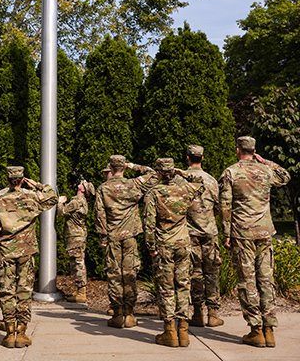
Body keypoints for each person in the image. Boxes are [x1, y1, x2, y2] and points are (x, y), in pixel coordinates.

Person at [219, 136, 290, 348]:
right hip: (265, 231)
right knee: (266, 279)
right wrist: (265, 161)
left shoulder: (231, 172)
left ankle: (256, 330)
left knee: (247, 281)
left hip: (243, 233)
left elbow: (225, 207)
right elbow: (285, 176)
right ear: (254, 150)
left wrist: (226, 234)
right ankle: (269, 330)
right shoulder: (266, 171)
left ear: (237, 150)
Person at [0, 166, 58, 348]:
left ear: (8, 179)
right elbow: (52, 197)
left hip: (5, 251)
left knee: (6, 290)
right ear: (22, 178)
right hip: (26, 250)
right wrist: (37, 185)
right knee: (24, 290)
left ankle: (9, 334)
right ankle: (22, 333)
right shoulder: (31, 197)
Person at [143, 157, 204, 348]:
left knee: (167, 288)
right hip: (183, 243)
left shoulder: (154, 193)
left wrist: (151, 247)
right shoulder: (186, 189)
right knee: (183, 285)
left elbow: (149, 224)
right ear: (173, 171)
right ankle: (183, 332)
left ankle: (170, 331)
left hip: (164, 244)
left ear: (159, 173)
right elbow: (201, 184)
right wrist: (182, 173)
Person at [94, 154, 155, 329]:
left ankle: (118, 313)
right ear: (123, 168)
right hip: (130, 236)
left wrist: (103, 236)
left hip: (112, 236)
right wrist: (133, 165)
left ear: (111, 169)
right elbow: (153, 174)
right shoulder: (133, 184)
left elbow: (100, 215)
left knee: (114, 274)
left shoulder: (103, 189)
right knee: (129, 273)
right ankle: (129, 313)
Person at [184, 144, 224, 328]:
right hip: (209, 231)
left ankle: (198, 313)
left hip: (190, 232)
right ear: (202, 158)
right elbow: (219, 206)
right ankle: (213, 314)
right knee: (212, 272)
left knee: (195, 272)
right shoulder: (211, 180)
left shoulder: (182, 179)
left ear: (188, 158)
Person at [57, 172, 95, 304]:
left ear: (83, 189)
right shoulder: (81, 202)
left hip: (75, 237)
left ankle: (81, 292)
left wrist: (60, 202)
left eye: (83, 183)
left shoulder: (76, 202)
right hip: (78, 236)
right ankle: (79, 290)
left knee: (77, 264)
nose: (81, 183)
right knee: (78, 262)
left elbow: (61, 212)